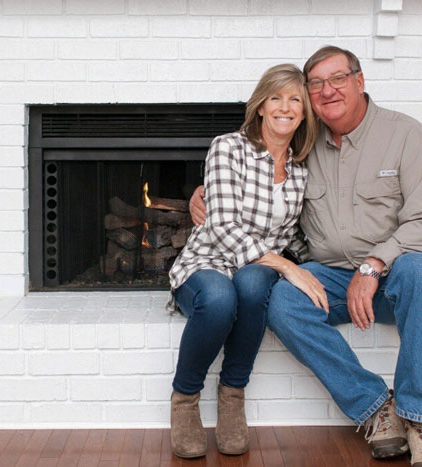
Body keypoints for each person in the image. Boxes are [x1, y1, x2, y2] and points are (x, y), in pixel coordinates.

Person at [189, 46, 422, 467]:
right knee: (280, 301)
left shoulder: (405, 134)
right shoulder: (303, 145)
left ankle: (421, 420)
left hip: (394, 275)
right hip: (331, 275)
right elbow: (261, 184)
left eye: (338, 79)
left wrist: (375, 265)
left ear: (360, 81)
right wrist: (205, 195)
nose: (327, 91)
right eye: (316, 84)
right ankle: (375, 409)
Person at [167, 64, 322, 459]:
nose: (285, 107)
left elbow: (297, 235)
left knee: (252, 285)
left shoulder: (302, 171)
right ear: (260, 106)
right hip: (209, 259)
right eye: (276, 98)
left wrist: (320, 267)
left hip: (256, 268)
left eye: (295, 100)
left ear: (305, 112)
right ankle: (185, 399)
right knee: (220, 299)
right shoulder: (228, 147)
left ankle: (232, 395)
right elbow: (221, 224)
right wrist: (288, 267)